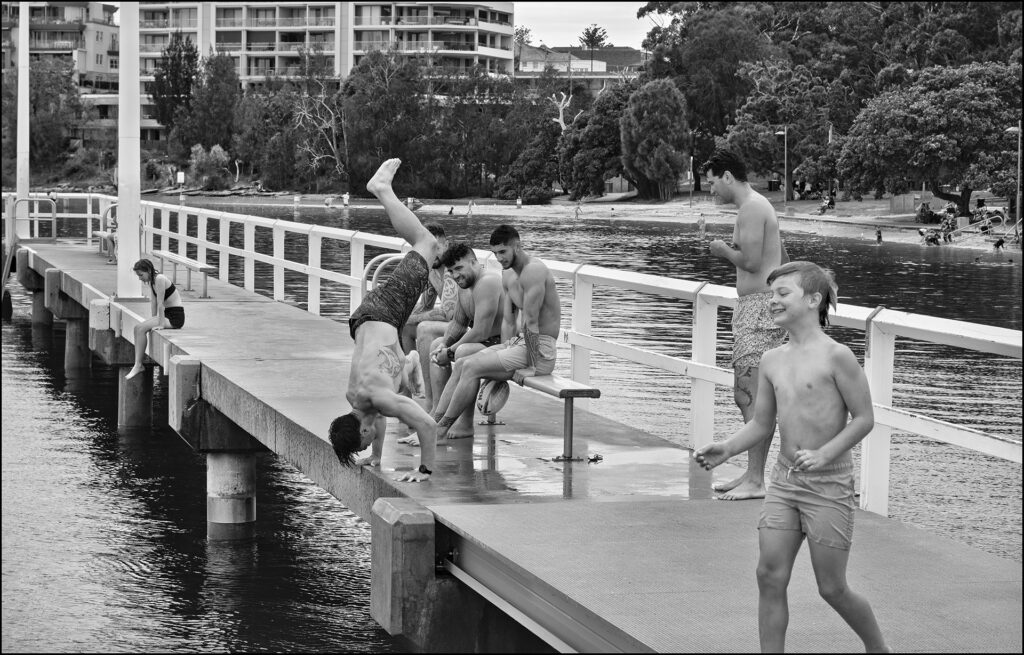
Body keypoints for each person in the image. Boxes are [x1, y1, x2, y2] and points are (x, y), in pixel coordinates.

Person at [695, 261, 889, 654]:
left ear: (814, 300)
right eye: (771, 295)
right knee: (769, 575)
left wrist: (824, 453)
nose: (772, 302)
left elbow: (865, 419)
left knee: (832, 587)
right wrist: (727, 447)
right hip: (785, 482)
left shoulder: (838, 357)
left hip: (828, 484)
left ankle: (878, 649)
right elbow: (762, 424)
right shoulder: (771, 360)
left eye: (783, 293)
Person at [328, 158, 440, 482]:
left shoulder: (378, 399)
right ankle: (412, 362)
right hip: (366, 319)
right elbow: (375, 421)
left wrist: (425, 470)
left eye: (363, 446)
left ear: (360, 428)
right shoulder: (357, 400)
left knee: (427, 244)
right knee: (400, 378)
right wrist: (376, 460)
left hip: (385, 311)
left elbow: (427, 425)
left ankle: (382, 190)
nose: (364, 446)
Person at [704, 148, 788, 501]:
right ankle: (753, 475)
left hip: (759, 312)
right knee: (750, 397)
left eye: (712, 183)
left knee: (751, 396)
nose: (710, 191)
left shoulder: (753, 208)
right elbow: (780, 258)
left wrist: (721, 249)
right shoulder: (754, 207)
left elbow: (752, 263)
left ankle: (756, 479)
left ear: (727, 177)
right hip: (755, 309)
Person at [431, 225, 560, 441]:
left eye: (503, 252)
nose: (499, 258)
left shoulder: (533, 271)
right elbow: (510, 320)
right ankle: (433, 424)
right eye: (495, 253)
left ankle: (439, 432)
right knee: (463, 363)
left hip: (541, 350)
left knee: (471, 367)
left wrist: (536, 367)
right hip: (520, 344)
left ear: (517, 246)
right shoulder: (508, 274)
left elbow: (531, 321)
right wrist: (505, 350)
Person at [410, 241, 504, 443]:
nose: (455, 275)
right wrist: (444, 344)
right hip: (485, 343)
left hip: (503, 345)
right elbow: (459, 324)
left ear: (474, 262)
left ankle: (463, 424)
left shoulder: (487, 282)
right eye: (451, 271)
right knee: (436, 347)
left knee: (463, 352)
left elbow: (480, 331)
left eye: (459, 268)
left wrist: (451, 351)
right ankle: (437, 414)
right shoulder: (464, 286)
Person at [399, 223, 458, 410]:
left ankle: (431, 402)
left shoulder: (453, 268)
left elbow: (449, 314)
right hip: (452, 325)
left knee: (424, 329)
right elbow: (425, 307)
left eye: (437, 247)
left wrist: (416, 317)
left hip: (470, 327)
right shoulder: (432, 270)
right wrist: (403, 316)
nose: (433, 252)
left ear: (446, 244)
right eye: (429, 247)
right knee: (405, 327)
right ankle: (408, 393)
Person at [125, 259, 185, 380]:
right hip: (167, 314)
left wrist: (161, 324)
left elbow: (160, 303)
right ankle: (137, 364)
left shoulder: (160, 279)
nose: (140, 278)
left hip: (175, 316)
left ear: (148, 271)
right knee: (138, 328)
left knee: (141, 329)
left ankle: (138, 365)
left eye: (141, 275)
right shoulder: (152, 281)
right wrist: (152, 320)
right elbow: (153, 303)